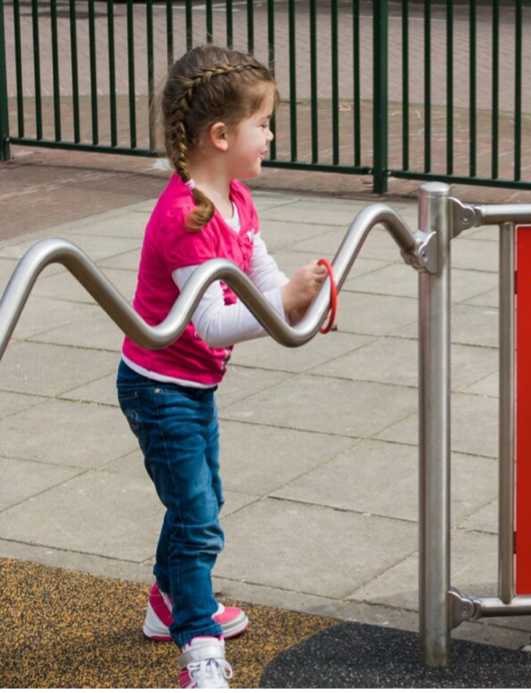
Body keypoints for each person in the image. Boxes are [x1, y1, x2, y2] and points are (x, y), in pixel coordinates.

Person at [117, 45, 328, 689]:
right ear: (220, 135)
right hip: (158, 388)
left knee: (199, 503)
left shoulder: (236, 199)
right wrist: (283, 304)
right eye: (262, 124)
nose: (270, 136)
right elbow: (209, 322)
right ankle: (198, 646)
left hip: (193, 385)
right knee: (198, 516)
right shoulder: (185, 218)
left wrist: (299, 299)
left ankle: (167, 601)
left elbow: (262, 277)